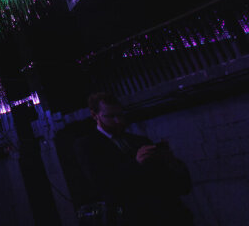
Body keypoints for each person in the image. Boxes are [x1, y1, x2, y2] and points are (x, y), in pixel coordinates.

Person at [74, 92, 193, 226]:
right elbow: (104, 185)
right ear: (94, 115)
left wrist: (171, 161)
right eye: (110, 116)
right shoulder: (87, 145)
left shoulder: (139, 141)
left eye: (120, 115)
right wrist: (136, 163)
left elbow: (176, 184)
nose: (118, 121)